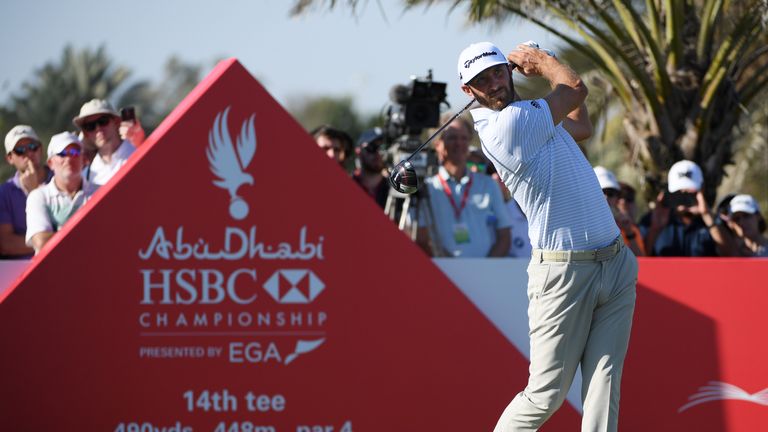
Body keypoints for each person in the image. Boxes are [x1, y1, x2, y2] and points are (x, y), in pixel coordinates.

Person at [457, 41, 637, 431]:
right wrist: (542, 62)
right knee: (546, 394)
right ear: (467, 92)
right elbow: (574, 89)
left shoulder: (532, 115)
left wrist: (545, 75)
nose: (494, 84)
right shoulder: (509, 124)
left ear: (507, 70)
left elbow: (582, 126)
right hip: (564, 275)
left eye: (496, 72)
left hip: (615, 263)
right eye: (481, 81)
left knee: (604, 385)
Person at [416, 115, 511, 257]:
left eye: (464, 138)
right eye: (452, 138)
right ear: (438, 144)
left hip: (485, 273)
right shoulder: (427, 188)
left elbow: (505, 235)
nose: (459, 143)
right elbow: (422, 238)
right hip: (442, 272)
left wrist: (487, 268)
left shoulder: (488, 184)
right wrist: (451, 268)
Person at [638, 160, 727, 256]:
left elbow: (731, 257)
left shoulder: (715, 222)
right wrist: (655, 229)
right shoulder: (650, 221)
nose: (684, 199)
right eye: (679, 193)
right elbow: (637, 261)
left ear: (702, 190)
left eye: (690, 193)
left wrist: (708, 218)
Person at [25, 132, 95, 254]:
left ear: (84, 160)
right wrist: (89, 234)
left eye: (75, 153)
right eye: (62, 154)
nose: (69, 158)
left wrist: (57, 234)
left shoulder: (101, 191)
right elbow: (41, 242)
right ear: (50, 163)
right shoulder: (38, 196)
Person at [1, 125, 52, 259]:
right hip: (23, 272)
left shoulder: (59, 179)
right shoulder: (4, 193)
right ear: (10, 158)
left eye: (32, 147)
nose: (29, 153)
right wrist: (42, 241)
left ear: (40, 149)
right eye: (20, 150)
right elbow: (6, 244)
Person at [73, 99, 137, 189]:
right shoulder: (88, 176)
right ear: (86, 133)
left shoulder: (137, 152)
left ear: (116, 122)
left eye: (103, 121)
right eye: (90, 126)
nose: (98, 129)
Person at [594, 166, 645, 256]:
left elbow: (641, 264)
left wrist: (629, 232)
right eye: (601, 191)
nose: (606, 197)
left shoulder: (630, 229)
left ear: (616, 198)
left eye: (611, 193)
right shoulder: (580, 224)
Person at [352, 128, 390, 208]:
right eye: (372, 147)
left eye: (383, 148)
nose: (378, 153)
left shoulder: (393, 189)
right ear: (358, 151)